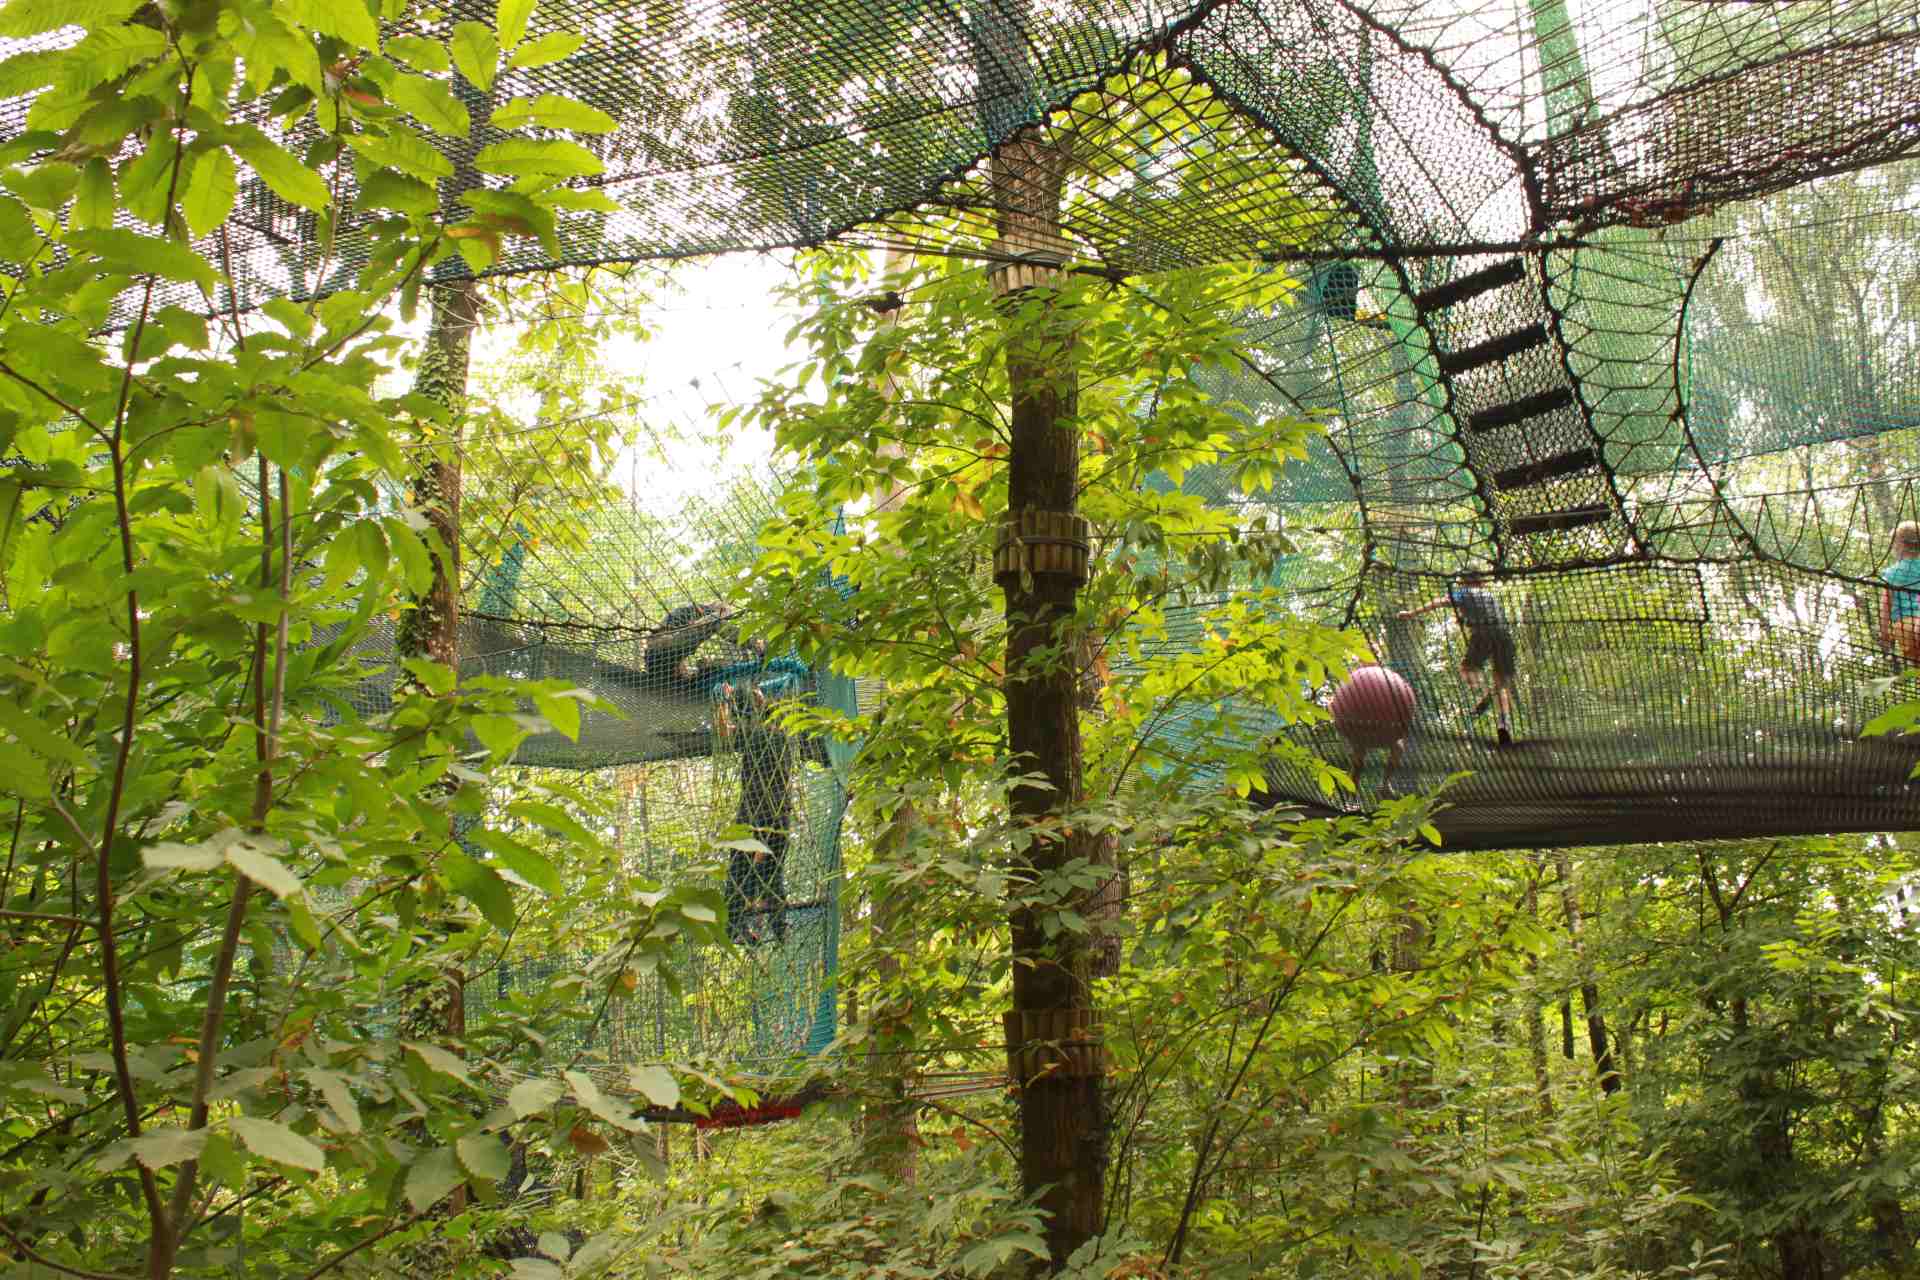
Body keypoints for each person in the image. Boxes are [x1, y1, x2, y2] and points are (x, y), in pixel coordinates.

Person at [1398, 567, 1517, 747]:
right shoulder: (1490, 597)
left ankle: (1484, 690)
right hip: (1504, 636)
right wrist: (1465, 619)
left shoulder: (1464, 592)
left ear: (1463, 581)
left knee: (1467, 670)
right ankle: (1503, 724)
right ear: (1481, 581)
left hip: (1483, 634)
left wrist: (1412, 613)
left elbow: (1440, 602)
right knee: (1501, 685)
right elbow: (1491, 615)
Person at [722, 686, 797, 946]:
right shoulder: (785, 736)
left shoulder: (755, 735)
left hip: (754, 816)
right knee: (772, 873)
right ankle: (779, 927)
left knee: (740, 871)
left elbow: (725, 732)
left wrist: (723, 702)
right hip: (778, 817)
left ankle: (736, 925)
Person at [1881, 521, 1920, 666]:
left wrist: (1884, 632)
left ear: (1900, 544)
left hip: (1904, 626)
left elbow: (1886, 604)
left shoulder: (1892, 573)